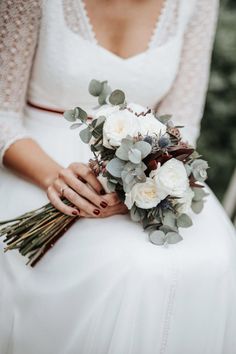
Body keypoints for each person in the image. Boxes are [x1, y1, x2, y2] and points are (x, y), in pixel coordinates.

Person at [0, 0, 235, 353]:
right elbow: (2, 114)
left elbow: (183, 121)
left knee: (218, 257)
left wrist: (140, 186)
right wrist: (57, 179)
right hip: (36, 158)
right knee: (134, 269)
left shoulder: (197, 4)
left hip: (143, 166)